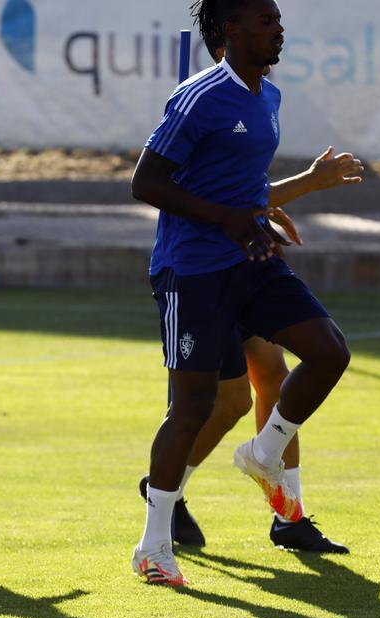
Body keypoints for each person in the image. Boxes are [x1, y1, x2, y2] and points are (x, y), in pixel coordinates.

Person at [129, 0, 351, 585]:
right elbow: (145, 182)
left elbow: (245, 191)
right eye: (265, 20)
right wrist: (228, 218)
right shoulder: (198, 98)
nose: (278, 29)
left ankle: (264, 456)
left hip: (252, 262)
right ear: (231, 29)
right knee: (198, 405)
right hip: (193, 270)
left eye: (278, 19)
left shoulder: (267, 98)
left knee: (328, 351)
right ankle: (154, 545)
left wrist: (269, 211)